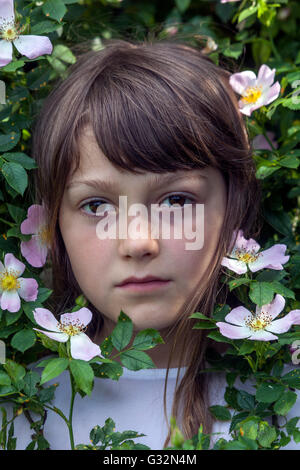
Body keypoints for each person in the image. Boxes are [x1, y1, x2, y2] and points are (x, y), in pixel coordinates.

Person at [3, 38, 300, 450]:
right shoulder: (19, 415)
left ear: (236, 205)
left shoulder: (286, 408)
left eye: (176, 200)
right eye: (96, 205)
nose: (138, 242)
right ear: (53, 225)